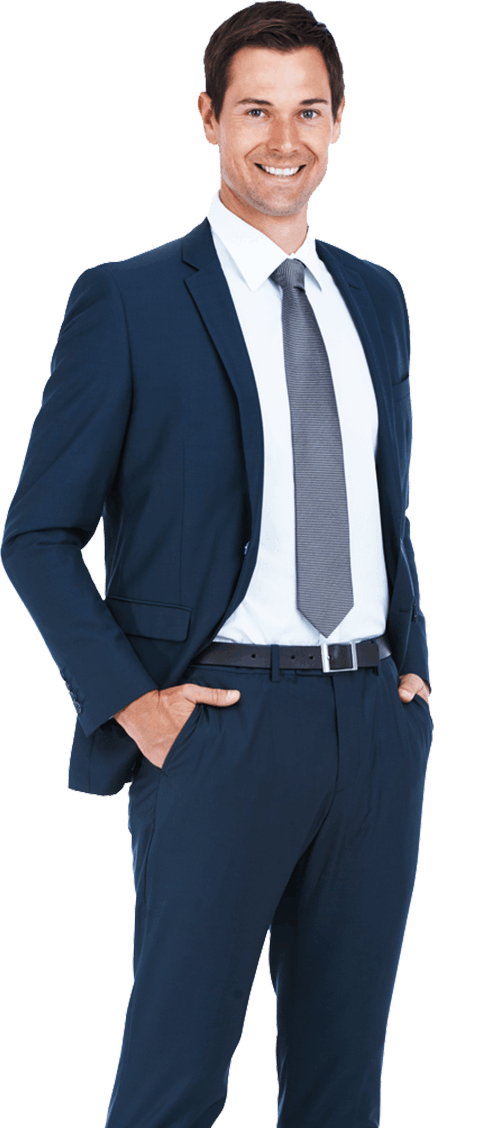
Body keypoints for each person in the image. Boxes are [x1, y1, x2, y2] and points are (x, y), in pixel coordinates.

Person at [1, 3, 433, 1126]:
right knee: (172, 1084)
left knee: (341, 1090)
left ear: (338, 122)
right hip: (217, 724)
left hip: (370, 729)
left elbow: (383, 510)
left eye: (305, 110)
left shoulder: (373, 298)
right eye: (253, 110)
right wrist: (135, 707)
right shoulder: (131, 300)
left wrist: (410, 682)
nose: (280, 140)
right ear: (206, 119)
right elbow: (36, 534)